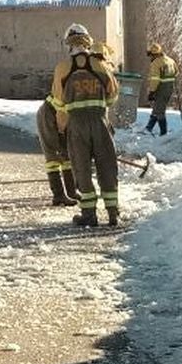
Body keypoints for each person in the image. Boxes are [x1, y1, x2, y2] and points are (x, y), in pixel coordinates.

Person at [50, 23, 120, 227]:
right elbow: (113, 94)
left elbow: (58, 102)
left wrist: (62, 126)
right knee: (107, 165)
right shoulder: (101, 65)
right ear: (87, 41)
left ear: (68, 44)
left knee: (81, 168)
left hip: (76, 124)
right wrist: (100, 107)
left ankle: (89, 214)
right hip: (100, 122)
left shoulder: (62, 68)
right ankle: (113, 212)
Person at [35, 94, 79, 207]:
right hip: (48, 115)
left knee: (67, 155)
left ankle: (71, 191)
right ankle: (58, 195)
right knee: (52, 156)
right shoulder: (71, 86)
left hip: (63, 118)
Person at [143, 42, 178, 135]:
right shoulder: (171, 60)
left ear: (154, 54)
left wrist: (151, 92)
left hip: (161, 88)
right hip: (170, 88)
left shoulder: (156, 63)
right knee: (157, 108)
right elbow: (177, 73)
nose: (150, 58)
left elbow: (155, 79)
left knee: (159, 110)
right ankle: (148, 128)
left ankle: (163, 132)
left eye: (150, 55)